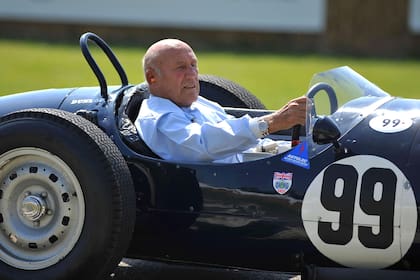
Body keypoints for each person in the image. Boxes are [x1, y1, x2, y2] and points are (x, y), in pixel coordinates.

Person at [135, 38, 307, 163]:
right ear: (152, 77)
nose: (192, 74)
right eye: (180, 68)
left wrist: (291, 149)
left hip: (249, 172)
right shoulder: (158, 118)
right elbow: (202, 145)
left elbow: (245, 144)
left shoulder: (201, 104)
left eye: (193, 65)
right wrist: (271, 122)